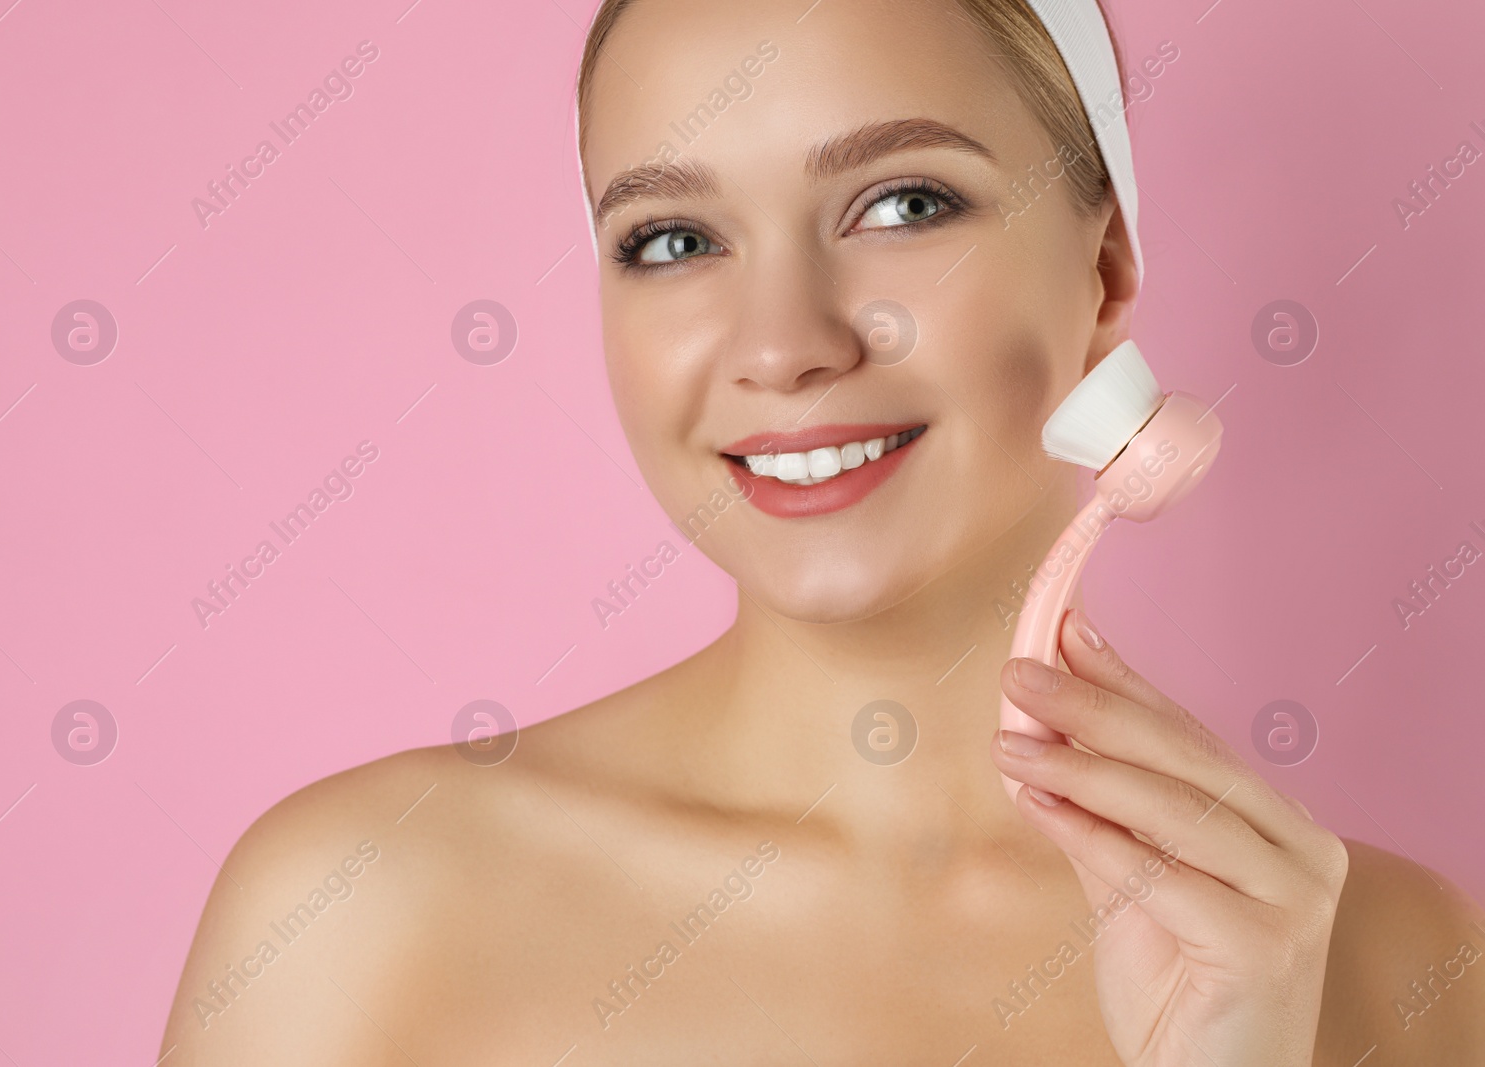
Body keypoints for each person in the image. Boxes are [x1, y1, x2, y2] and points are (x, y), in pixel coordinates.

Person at [160, 0, 1485, 1062]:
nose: (786, 345)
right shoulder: (354, 912)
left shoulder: (1389, 962)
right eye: (674, 239)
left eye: (905, 204)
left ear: (1105, 271)